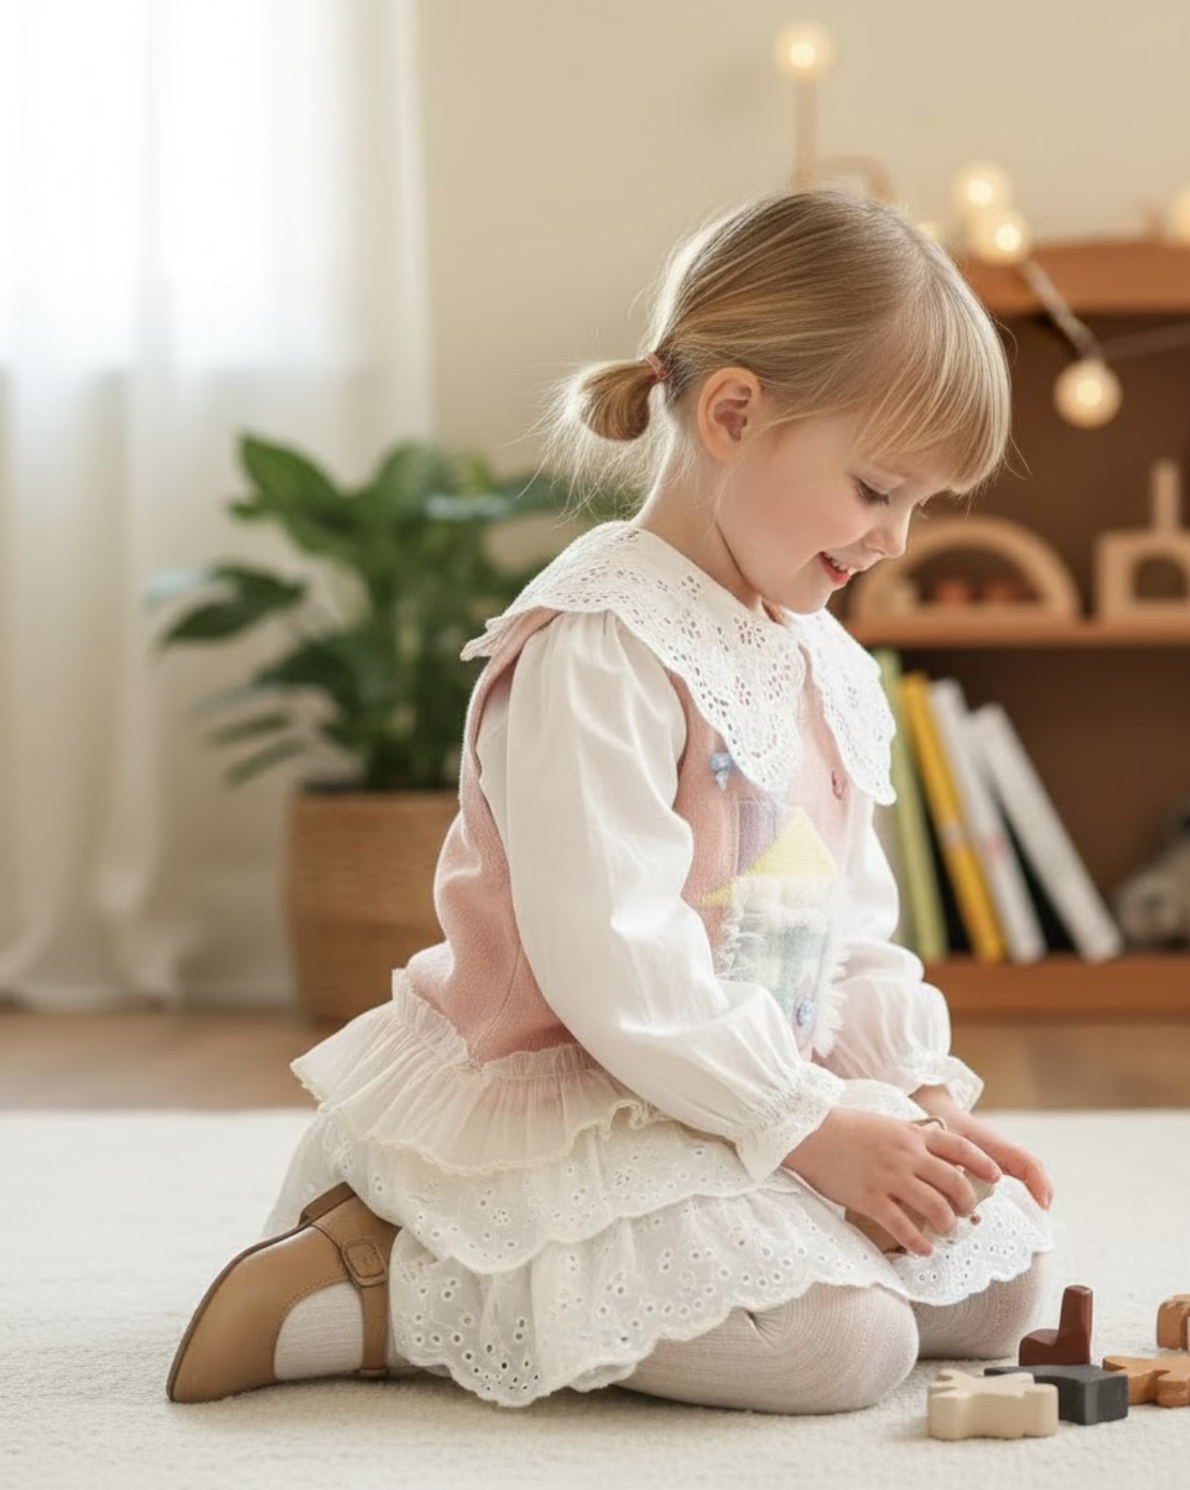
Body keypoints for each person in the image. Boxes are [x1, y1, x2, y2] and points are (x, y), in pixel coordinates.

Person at [166, 187, 1056, 1417]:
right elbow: (613, 964)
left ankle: (764, 1223)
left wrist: (919, 1105)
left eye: (918, 507)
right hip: (586, 1099)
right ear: (736, 413)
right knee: (836, 1352)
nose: (895, 540)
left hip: (749, 1099)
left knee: (1002, 1290)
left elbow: (851, 933)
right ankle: (384, 1277)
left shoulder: (821, 658)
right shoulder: (603, 641)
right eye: (873, 491)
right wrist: (805, 1126)